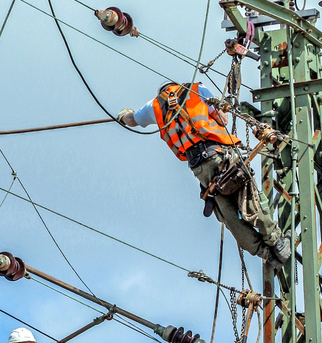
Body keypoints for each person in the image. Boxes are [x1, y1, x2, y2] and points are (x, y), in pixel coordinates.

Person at [117, 81, 290, 266]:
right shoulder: (196, 89)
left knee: (228, 215)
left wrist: (124, 114)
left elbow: (131, 120)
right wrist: (220, 111)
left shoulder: (154, 106)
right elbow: (223, 120)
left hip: (200, 169)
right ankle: (276, 242)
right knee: (249, 198)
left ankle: (267, 254)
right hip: (219, 155)